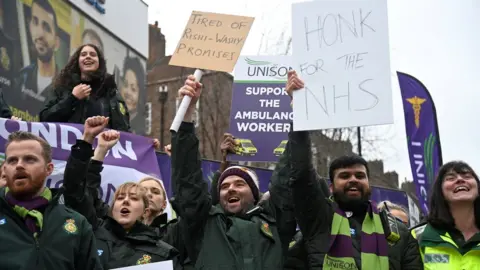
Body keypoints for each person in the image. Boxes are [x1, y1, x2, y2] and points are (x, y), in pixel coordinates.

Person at [287, 70, 423, 269]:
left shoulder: (398, 234)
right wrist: (299, 112)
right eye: (344, 176)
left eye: (360, 175)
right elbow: (300, 174)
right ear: (331, 187)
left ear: (369, 184)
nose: (353, 179)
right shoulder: (319, 219)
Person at [170, 75, 296, 269]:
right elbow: (187, 180)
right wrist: (186, 116)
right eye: (225, 186)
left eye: (239, 184)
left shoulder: (277, 224)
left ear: (255, 194)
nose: (230, 189)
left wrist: (298, 114)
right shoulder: (204, 225)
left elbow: (290, 172)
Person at [62, 116, 178, 269]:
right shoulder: (93, 230)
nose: (126, 201)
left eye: (134, 198)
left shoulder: (162, 253)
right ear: (112, 207)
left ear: (146, 211)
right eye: (120, 197)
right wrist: (89, 141)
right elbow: (75, 190)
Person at [0, 131, 102, 269]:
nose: (19, 165)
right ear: (4, 170)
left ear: (49, 169)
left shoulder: (77, 224)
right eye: (12, 160)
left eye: (29, 159)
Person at [39, 44, 131, 132]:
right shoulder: (62, 86)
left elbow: (123, 130)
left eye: (93, 54)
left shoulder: (111, 93)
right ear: (77, 61)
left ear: (99, 62)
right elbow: (45, 118)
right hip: (70, 147)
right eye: (83, 54)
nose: (88, 56)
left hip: (101, 147)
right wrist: (72, 98)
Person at [411, 161, 480, 269]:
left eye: (467, 176)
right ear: (440, 192)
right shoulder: (417, 237)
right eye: (450, 178)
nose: (460, 179)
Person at [12, 0, 60, 119]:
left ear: (57, 43)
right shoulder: (20, 78)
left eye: (47, 28)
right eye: (35, 22)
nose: (39, 34)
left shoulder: (64, 89)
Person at [120, 56, 145, 134]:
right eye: (125, 84)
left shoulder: (142, 128)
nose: (128, 92)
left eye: (133, 89)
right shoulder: (113, 116)